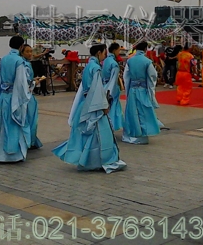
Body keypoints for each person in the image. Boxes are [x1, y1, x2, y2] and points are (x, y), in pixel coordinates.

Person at [52, 43, 126, 173]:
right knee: (102, 134)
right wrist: (103, 106)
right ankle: (99, 161)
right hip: (94, 104)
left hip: (85, 103)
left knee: (88, 133)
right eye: (104, 53)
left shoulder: (88, 66)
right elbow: (97, 89)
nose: (105, 55)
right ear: (99, 53)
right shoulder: (96, 68)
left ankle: (87, 159)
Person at [0, 36, 35, 162]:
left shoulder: (4, 59)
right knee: (13, 124)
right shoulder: (19, 61)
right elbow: (21, 83)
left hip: (3, 96)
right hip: (14, 96)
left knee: (2, 124)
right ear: (21, 46)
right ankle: (13, 154)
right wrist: (28, 91)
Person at [122, 41, 161, 144]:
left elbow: (126, 77)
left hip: (132, 90)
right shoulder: (147, 61)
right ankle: (142, 134)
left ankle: (131, 133)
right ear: (145, 49)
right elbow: (152, 76)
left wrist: (128, 89)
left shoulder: (130, 60)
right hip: (142, 90)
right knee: (143, 111)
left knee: (132, 112)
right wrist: (151, 91)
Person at [20, 43, 43, 149]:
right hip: (25, 95)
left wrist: (33, 80)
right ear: (22, 52)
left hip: (28, 94)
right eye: (27, 51)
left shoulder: (27, 63)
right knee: (29, 119)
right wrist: (34, 83)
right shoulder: (23, 64)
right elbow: (23, 82)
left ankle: (30, 139)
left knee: (31, 119)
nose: (30, 54)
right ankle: (28, 140)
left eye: (31, 51)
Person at [102, 42, 124, 131]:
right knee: (113, 108)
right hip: (111, 87)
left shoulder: (105, 60)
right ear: (114, 50)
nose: (119, 52)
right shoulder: (114, 63)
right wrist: (111, 92)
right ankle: (111, 125)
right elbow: (114, 79)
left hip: (104, 85)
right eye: (119, 50)